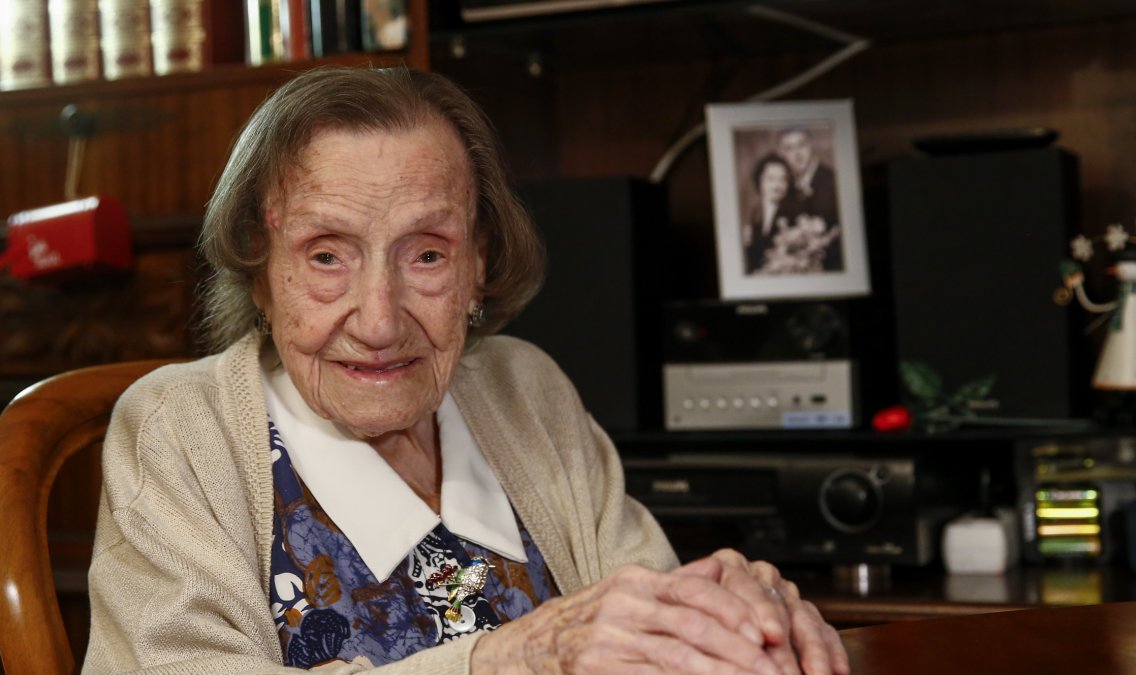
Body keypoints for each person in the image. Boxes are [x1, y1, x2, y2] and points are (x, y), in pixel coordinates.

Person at [84, 66, 848, 674]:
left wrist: (736, 616)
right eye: (326, 256)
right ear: (259, 268)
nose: (379, 320)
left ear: (480, 259)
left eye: (427, 254)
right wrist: (503, 660)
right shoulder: (179, 431)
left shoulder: (527, 388)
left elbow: (650, 614)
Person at [775, 128, 844, 271]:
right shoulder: (786, 188)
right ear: (782, 154)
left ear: (811, 145)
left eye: (801, 145)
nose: (797, 154)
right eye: (789, 148)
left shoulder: (834, 181)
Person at [744, 153, 800, 275]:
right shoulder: (754, 211)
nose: (777, 185)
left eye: (782, 179)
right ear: (759, 180)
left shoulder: (795, 215)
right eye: (771, 179)